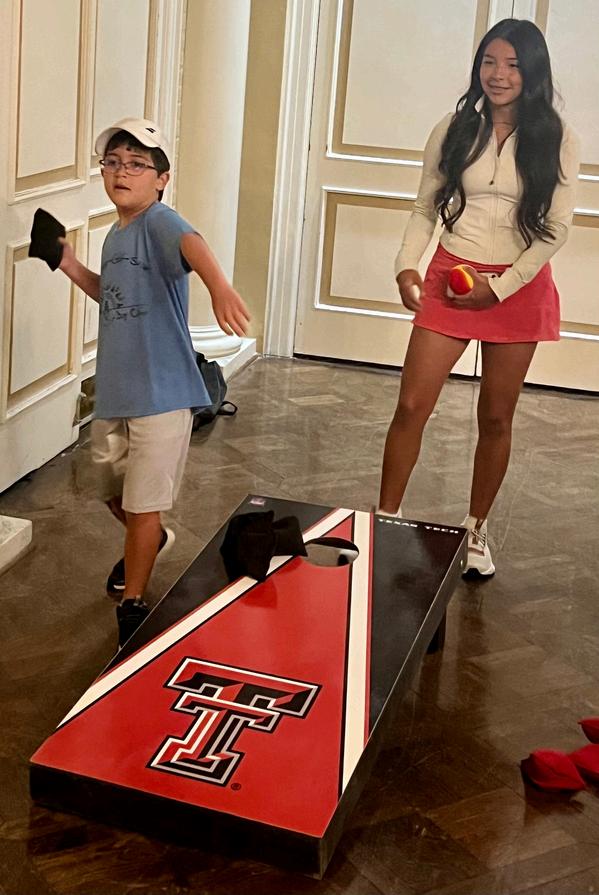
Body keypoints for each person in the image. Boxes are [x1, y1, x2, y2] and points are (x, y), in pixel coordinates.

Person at [378, 19, 579, 577]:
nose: (499, 74)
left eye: (512, 64)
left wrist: (502, 286)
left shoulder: (557, 137)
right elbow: (425, 207)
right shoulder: (453, 129)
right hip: (452, 275)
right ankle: (385, 518)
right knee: (411, 406)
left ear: (532, 71)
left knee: (495, 416)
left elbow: (556, 229)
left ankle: (476, 529)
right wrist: (406, 266)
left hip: (518, 286)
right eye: (490, 61)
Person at [57, 117, 250, 644]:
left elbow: (192, 242)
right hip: (117, 394)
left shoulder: (158, 221)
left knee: (143, 504)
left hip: (163, 395)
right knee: (112, 493)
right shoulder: (116, 235)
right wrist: (69, 263)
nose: (123, 173)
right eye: (114, 163)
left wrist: (219, 286)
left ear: (161, 179)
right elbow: (113, 294)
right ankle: (152, 539)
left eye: (138, 165)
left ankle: (134, 604)